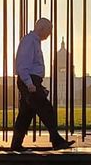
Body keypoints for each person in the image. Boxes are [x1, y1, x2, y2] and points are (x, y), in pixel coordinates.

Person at [10, 18, 74, 150]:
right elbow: (22, 65)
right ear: (41, 28)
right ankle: (56, 141)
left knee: (25, 115)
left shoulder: (33, 41)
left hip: (31, 81)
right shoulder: (29, 41)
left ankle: (16, 144)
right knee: (47, 109)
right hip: (30, 81)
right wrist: (29, 84)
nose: (49, 34)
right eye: (49, 31)